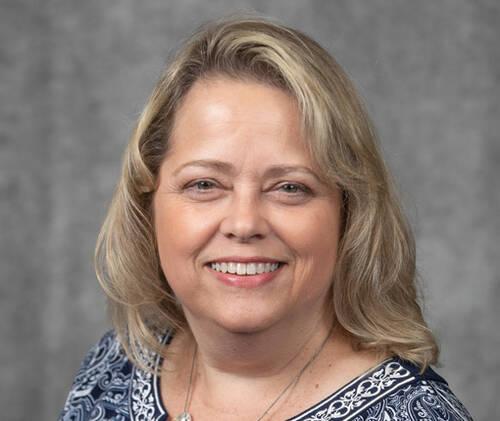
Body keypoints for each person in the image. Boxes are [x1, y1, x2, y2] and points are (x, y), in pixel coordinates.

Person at [59, 15, 473, 421]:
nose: (244, 223)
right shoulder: (115, 365)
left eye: (289, 187)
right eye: (205, 184)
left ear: (349, 211)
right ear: (148, 199)